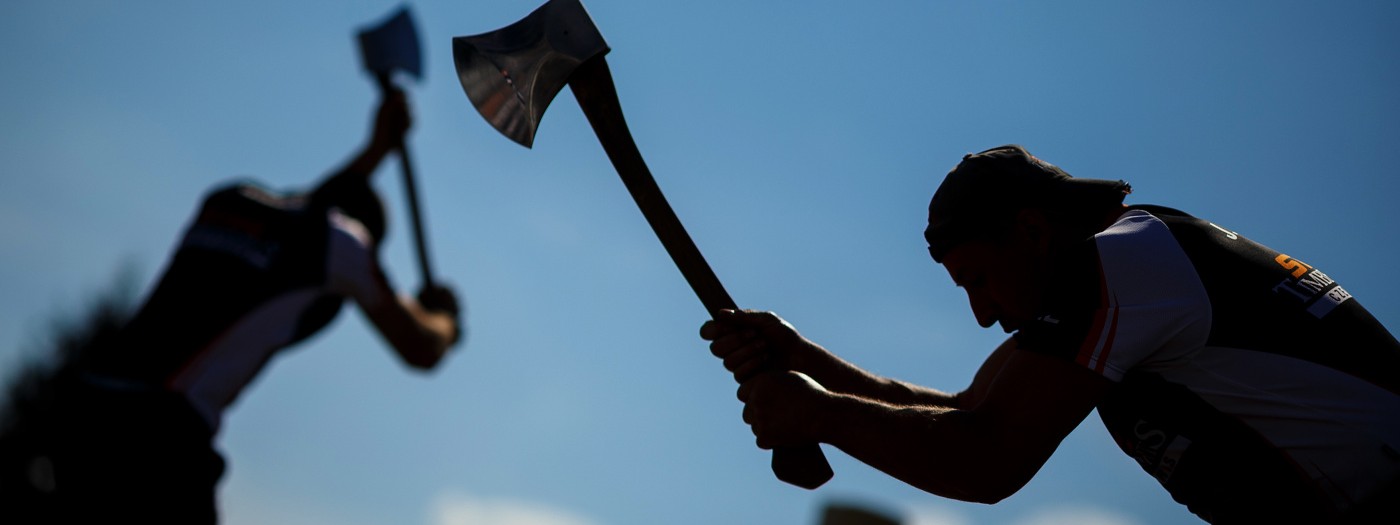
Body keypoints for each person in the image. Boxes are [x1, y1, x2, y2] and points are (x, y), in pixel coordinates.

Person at [701, 145, 1400, 524]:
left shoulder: (1122, 265)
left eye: (979, 278)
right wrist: (804, 361)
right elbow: (970, 409)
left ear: (1033, 231)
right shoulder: (1132, 262)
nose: (981, 312)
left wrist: (815, 410)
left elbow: (987, 459)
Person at [0, 89, 463, 523]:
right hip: (160, 435)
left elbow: (307, 208)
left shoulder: (227, 201)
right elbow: (419, 347)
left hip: (83, 414)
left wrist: (377, 148)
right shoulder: (341, 246)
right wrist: (445, 320)